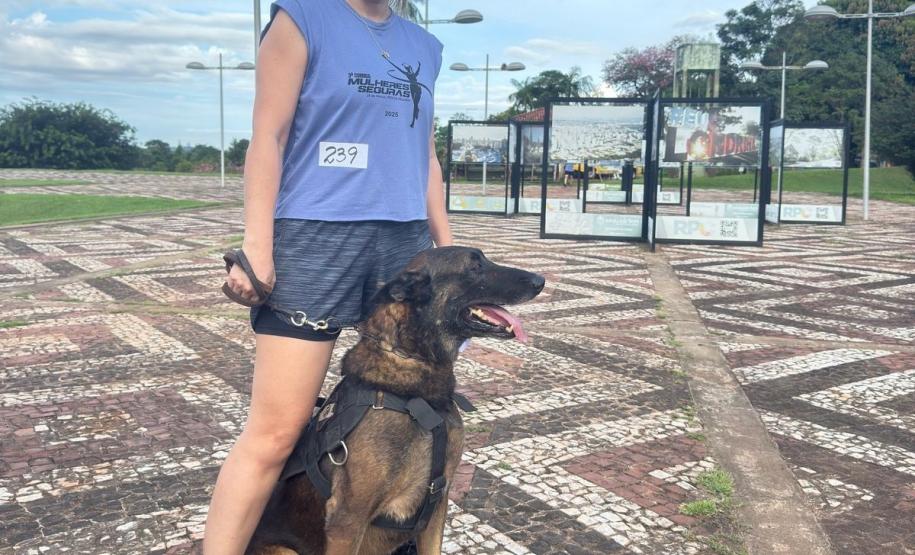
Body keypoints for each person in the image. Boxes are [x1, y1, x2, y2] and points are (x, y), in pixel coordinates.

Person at [202, 0, 452, 552]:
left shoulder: (425, 46)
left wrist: (449, 248)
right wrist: (256, 247)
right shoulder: (301, 19)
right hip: (316, 239)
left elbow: (424, 156)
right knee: (276, 432)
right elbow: (267, 135)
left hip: (403, 244)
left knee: (410, 414)